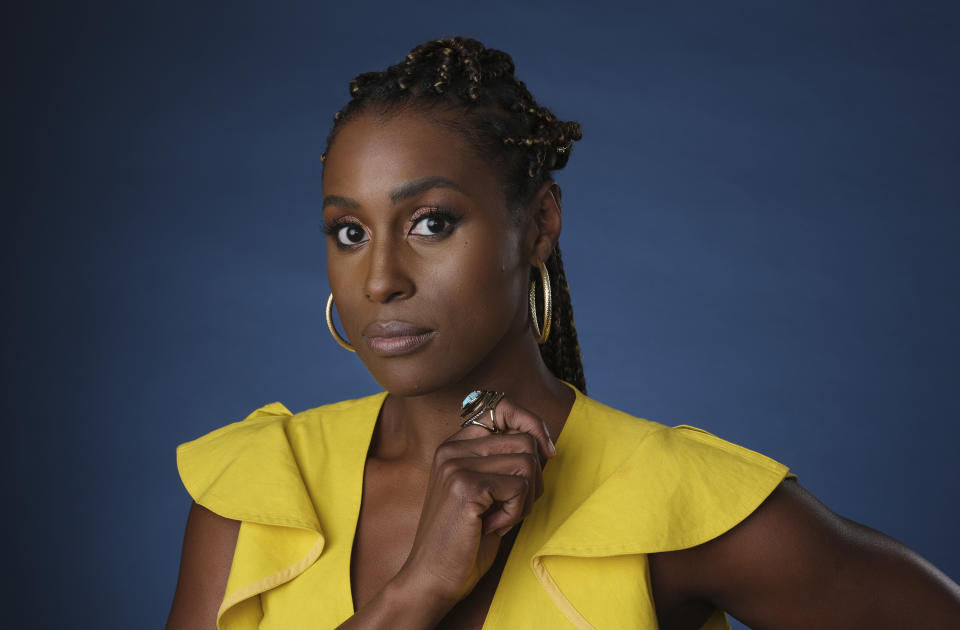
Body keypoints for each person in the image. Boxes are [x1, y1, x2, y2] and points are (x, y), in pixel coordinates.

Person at [166, 37, 960, 630]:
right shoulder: (259, 493)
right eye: (349, 232)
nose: (380, 279)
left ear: (538, 224)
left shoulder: (663, 498)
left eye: (430, 223)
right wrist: (415, 596)